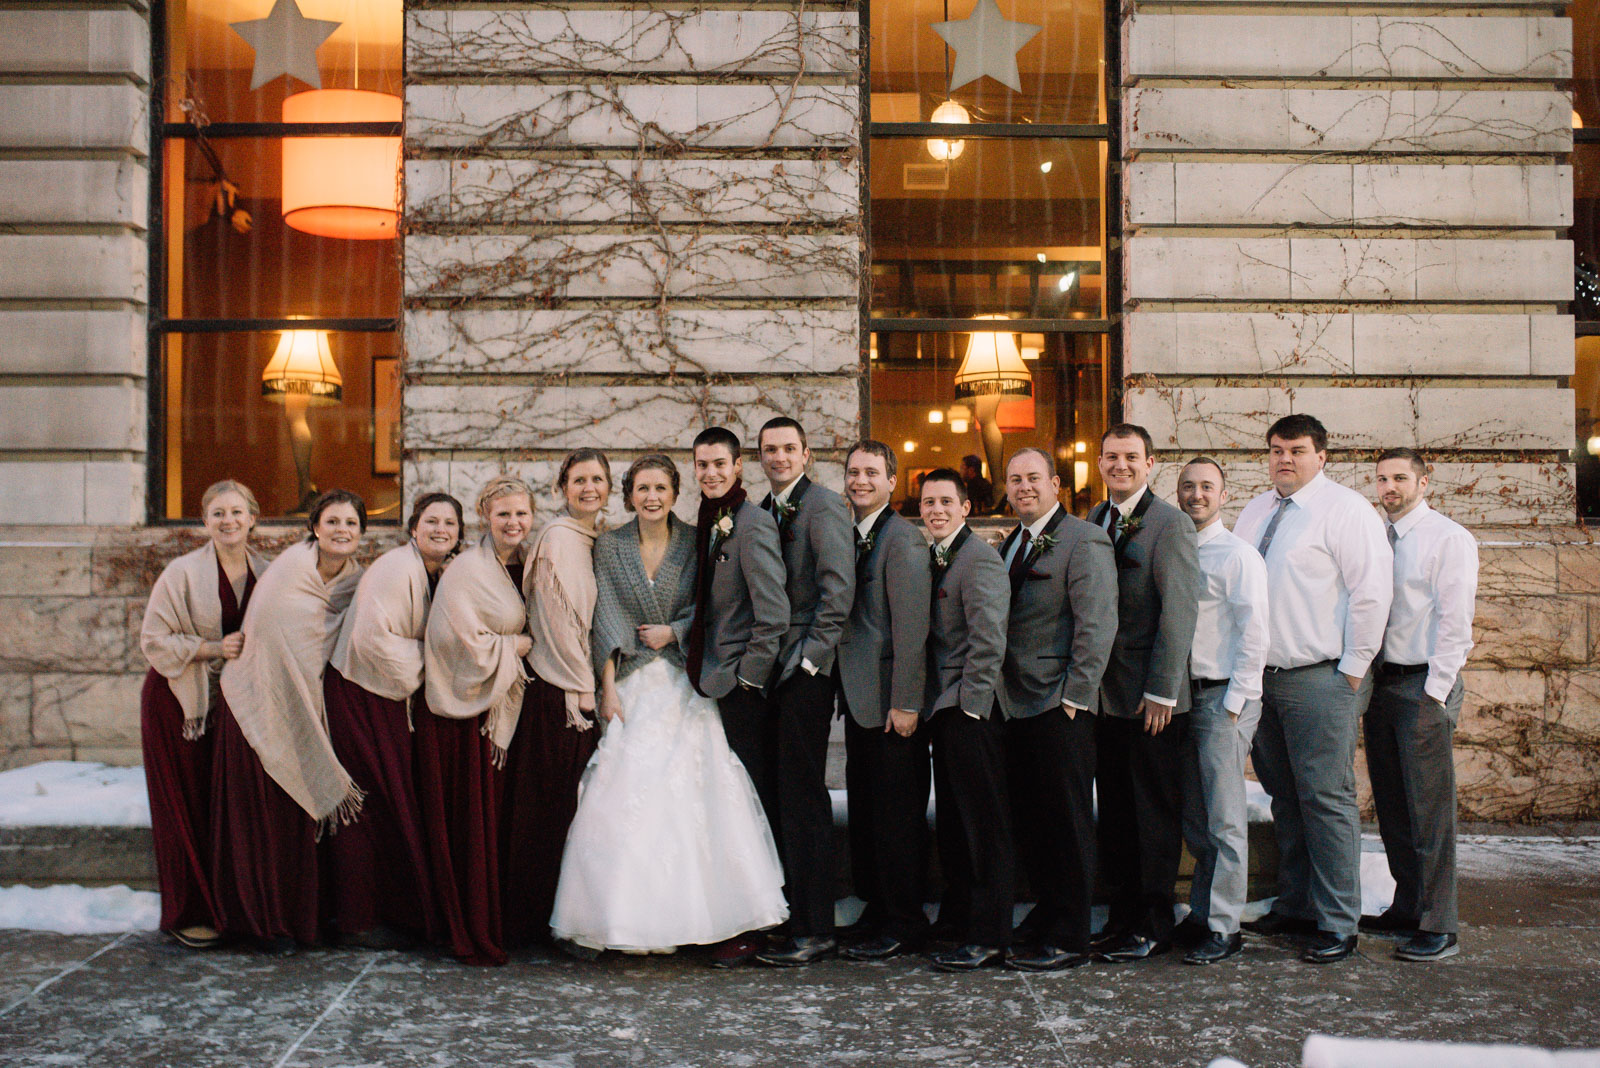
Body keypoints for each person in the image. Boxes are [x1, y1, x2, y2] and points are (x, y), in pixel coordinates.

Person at [551, 455, 788, 953]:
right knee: (625, 789)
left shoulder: (694, 540)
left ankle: (712, 917)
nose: (651, 497)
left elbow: (709, 606)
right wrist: (608, 687)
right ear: (629, 494)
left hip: (684, 678)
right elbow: (607, 616)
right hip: (633, 684)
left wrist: (675, 631)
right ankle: (622, 917)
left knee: (697, 789)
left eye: (660, 487)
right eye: (642, 488)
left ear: (675, 492)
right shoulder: (611, 546)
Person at [1234, 414, 1392, 965]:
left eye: (1297, 450)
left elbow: (1371, 593)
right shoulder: (1256, 510)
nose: (1285, 459)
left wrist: (1350, 671)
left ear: (1321, 456)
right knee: (1285, 797)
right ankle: (1297, 904)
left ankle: (1337, 921)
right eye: (1276, 449)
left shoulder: (1346, 511)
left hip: (1320, 678)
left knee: (1326, 800)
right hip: (1263, 680)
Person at [212, 489, 367, 952]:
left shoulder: (354, 582)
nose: (342, 531)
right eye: (332, 522)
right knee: (264, 823)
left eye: (351, 524)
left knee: (298, 826)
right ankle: (261, 924)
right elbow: (277, 643)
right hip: (260, 709)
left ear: (362, 533)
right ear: (315, 528)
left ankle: (304, 920)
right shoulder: (289, 573)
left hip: (308, 711)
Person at [322, 492, 463, 949]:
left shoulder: (433, 570)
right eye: (431, 521)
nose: (441, 529)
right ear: (413, 528)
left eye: (450, 523)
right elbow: (372, 641)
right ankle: (358, 918)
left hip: (382, 698)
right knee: (370, 804)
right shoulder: (397, 569)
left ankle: (387, 911)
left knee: (389, 802)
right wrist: (438, 660)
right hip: (363, 695)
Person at [995, 448, 1117, 973]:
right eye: (1015, 479)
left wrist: (1075, 697)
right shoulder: (1009, 545)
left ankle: (1071, 937)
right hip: (1013, 703)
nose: (1024, 487)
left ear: (1056, 484)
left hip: (1058, 703)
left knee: (1067, 821)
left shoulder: (1083, 538)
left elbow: (1097, 623)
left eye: (1033, 478)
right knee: (1035, 819)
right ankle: (1047, 914)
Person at [1087, 424, 1201, 962]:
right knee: (1115, 811)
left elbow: (1179, 614)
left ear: (1150, 463)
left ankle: (1154, 922)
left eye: (1132, 457)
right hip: (1105, 696)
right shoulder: (1094, 519)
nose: (1121, 466)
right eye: (1112, 457)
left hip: (1152, 700)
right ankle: (1122, 916)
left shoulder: (1170, 524)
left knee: (1152, 813)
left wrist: (1163, 691)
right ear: (1100, 462)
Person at [139, 479, 266, 950]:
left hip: (235, 706)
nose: (228, 521)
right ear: (205, 520)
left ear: (254, 517)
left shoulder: (267, 571)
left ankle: (231, 907)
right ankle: (186, 911)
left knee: (224, 807)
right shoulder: (182, 573)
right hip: (180, 702)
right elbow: (153, 640)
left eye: (237, 512)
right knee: (185, 806)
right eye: (218, 513)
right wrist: (213, 648)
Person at [1361, 447, 1477, 963]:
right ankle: (1407, 905)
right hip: (1382, 685)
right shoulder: (1376, 535)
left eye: (1400, 478)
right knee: (1393, 805)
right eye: (1382, 478)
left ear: (1424, 482)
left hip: (1422, 685)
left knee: (1430, 811)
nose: (1390, 488)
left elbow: (1456, 624)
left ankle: (1439, 924)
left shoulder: (1447, 539)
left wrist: (1435, 692)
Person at [682, 426, 790, 967]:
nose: (710, 473)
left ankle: (759, 920)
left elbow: (773, 615)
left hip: (741, 688)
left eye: (719, 464)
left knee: (751, 803)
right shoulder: (705, 520)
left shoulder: (752, 523)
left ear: (738, 465)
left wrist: (749, 679)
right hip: (707, 681)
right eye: (702, 465)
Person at [420, 475, 539, 966]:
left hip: (505, 709)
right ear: (485, 517)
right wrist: (516, 646)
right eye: (503, 514)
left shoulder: (531, 564)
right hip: (466, 716)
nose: (513, 522)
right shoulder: (467, 570)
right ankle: (472, 925)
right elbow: (455, 642)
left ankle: (507, 920)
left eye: (521, 514)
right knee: (474, 823)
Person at [751, 418, 856, 968]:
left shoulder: (824, 507)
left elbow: (838, 593)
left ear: (807, 454)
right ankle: (788, 914)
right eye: (770, 450)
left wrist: (810, 662)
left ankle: (816, 927)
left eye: (789, 448)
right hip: (769, 672)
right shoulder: (761, 511)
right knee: (776, 792)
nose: (779, 457)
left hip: (805, 674)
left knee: (804, 796)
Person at [499, 450, 608, 947]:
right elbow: (558, 622)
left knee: (574, 806)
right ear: (562, 487)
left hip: (576, 685)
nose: (590, 488)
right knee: (551, 805)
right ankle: (534, 918)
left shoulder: (591, 539)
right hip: (559, 691)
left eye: (598, 480)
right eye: (579, 479)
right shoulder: (559, 540)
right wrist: (583, 687)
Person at [834, 440, 933, 962]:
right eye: (853, 472)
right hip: (859, 700)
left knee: (897, 817)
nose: (861, 481)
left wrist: (907, 702)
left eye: (872, 472)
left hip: (893, 704)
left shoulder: (902, 541)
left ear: (893, 481)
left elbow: (913, 630)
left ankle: (905, 921)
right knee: (871, 811)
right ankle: (879, 910)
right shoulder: (852, 534)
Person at [1173, 457, 1269, 966]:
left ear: (1223, 494)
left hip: (1222, 698)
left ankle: (1226, 926)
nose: (1196, 495)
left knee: (1226, 819)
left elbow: (1255, 632)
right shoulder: (1177, 549)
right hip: (1183, 698)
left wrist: (1235, 703)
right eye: (1188, 487)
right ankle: (1201, 912)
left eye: (1207, 487)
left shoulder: (1238, 556)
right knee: (1197, 816)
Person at [920, 468, 1012, 972]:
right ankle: (958, 920)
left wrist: (971, 707)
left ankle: (991, 933)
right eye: (928, 502)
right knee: (956, 824)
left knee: (983, 827)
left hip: (971, 711)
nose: (935, 510)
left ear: (965, 508)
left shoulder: (978, 560)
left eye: (945, 502)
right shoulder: (938, 557)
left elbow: (988, 640)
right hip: (946, 709)